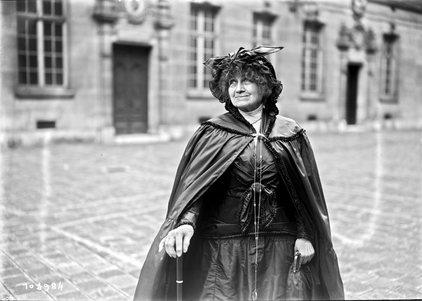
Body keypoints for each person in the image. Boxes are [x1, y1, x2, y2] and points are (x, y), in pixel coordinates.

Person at [133, 46, 344, 301]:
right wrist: (186, 222)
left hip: (278, 249)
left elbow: (302, 194)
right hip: (224, 250)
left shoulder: (290, 133)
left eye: (247, 81)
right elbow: (198, 189)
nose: (238, 88)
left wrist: (305, 235)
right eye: (232, 82)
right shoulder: (212, 133)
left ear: (265, 86)